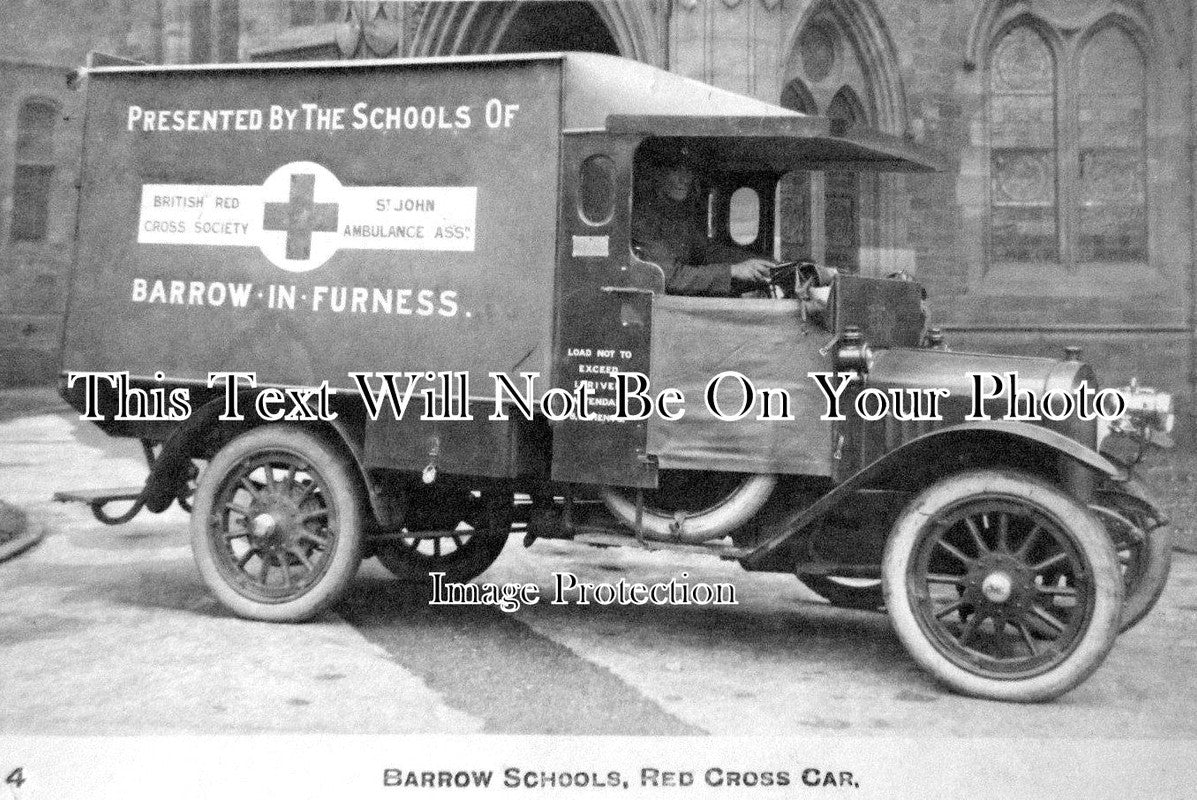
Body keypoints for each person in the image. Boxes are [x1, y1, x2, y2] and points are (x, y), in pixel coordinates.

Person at [631, 163, 777, 297]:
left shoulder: (677, 215)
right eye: (675, 170)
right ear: (658, 175)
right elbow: (670, 277)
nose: (684, 179)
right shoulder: (643, 219)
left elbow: (707, 252)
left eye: (688, 171)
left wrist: (762, 263)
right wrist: (733, 270)